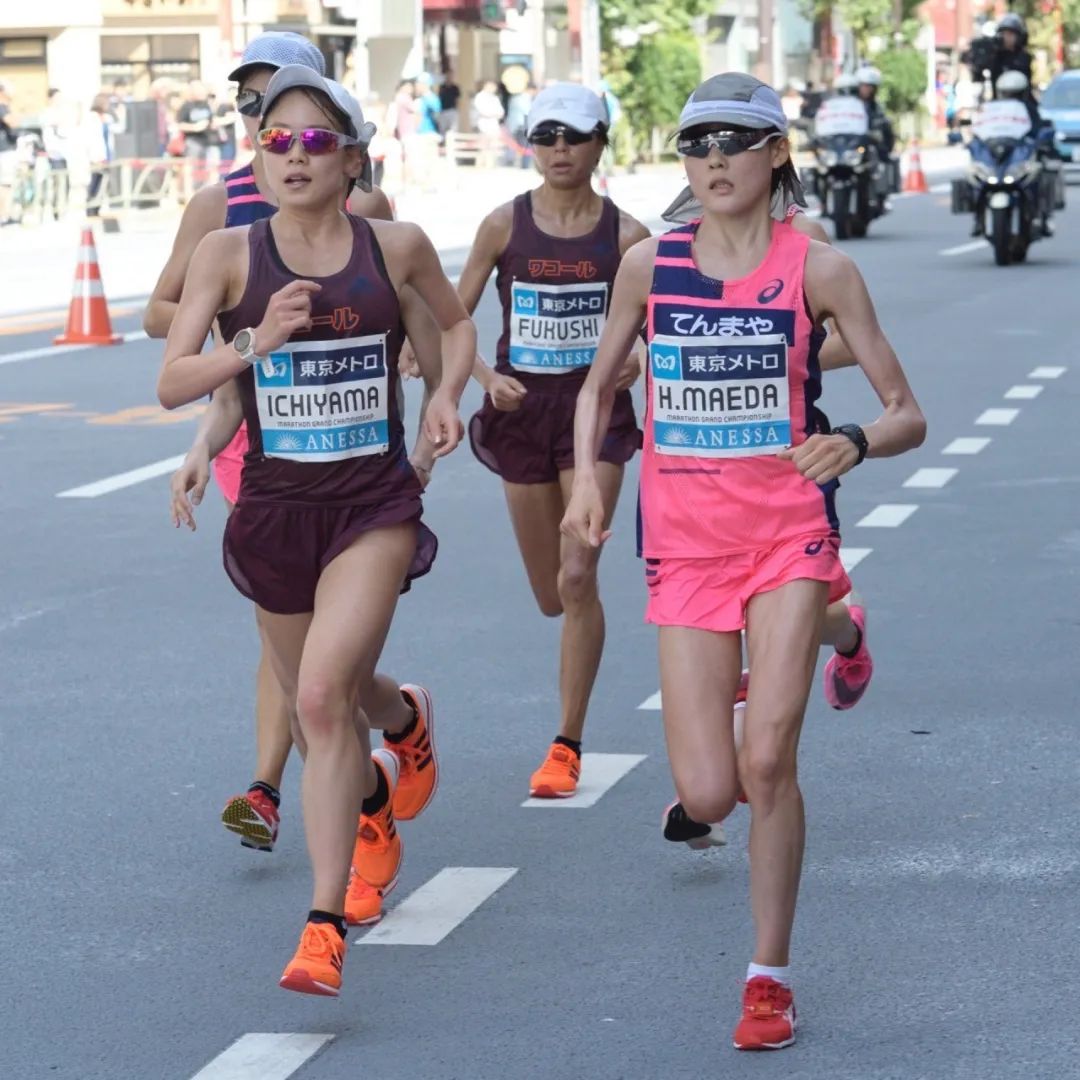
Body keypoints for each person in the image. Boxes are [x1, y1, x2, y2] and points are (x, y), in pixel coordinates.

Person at [563, 73, 925, 1049]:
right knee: (710, 792)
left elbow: (906, 410)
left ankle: (768, 975)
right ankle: (844, 629)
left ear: (776, 154)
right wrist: (592, 481)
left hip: (787, 533)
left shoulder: (821, 270)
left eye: (735, 138)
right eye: (695, 141)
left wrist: (852, 438)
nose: (713, 157)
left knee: (768, 760)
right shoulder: (649, 265)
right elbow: (600, 385)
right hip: (684, 546)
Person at [158, 64, 474, 996]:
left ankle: (324, 925)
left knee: (322, 699)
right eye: (275, 141)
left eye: (313, 141)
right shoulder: (227, 252)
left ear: (351, 156)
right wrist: (254, 343)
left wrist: (445, 397)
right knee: (323, 695)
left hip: (373, 501)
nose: (293, 156)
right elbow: (175, 380)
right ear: (257, 155)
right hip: (275, 509)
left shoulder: (395, 246)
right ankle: (404, 727)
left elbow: (455, 329)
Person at [455, 83, 649, 798]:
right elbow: (451, 318)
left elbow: (670, 329)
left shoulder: (629, 238)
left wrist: (639, 361)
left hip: (594, 416)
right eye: (546, 137)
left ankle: (567, 744)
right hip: (519, 411)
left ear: (601, 142)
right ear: (530, 146)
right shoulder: (502, 226)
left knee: (578, 578)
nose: (560, 150)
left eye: (575, 136)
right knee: (548, 594)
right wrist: (481, 375)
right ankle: (568, 691)